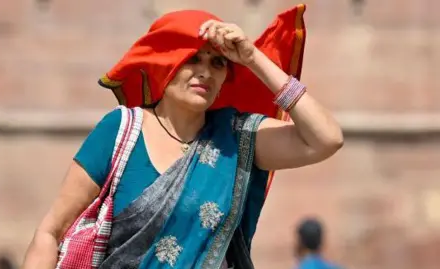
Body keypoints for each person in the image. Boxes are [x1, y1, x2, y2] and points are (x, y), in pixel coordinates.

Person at [22, 4, 343, 269]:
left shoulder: (237, 137)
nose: (205, 71)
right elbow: (52, 230)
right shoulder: (122, 130)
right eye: (193, 59)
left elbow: (325, 139)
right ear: (165, 62)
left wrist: (252, 59)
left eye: (217, 63)